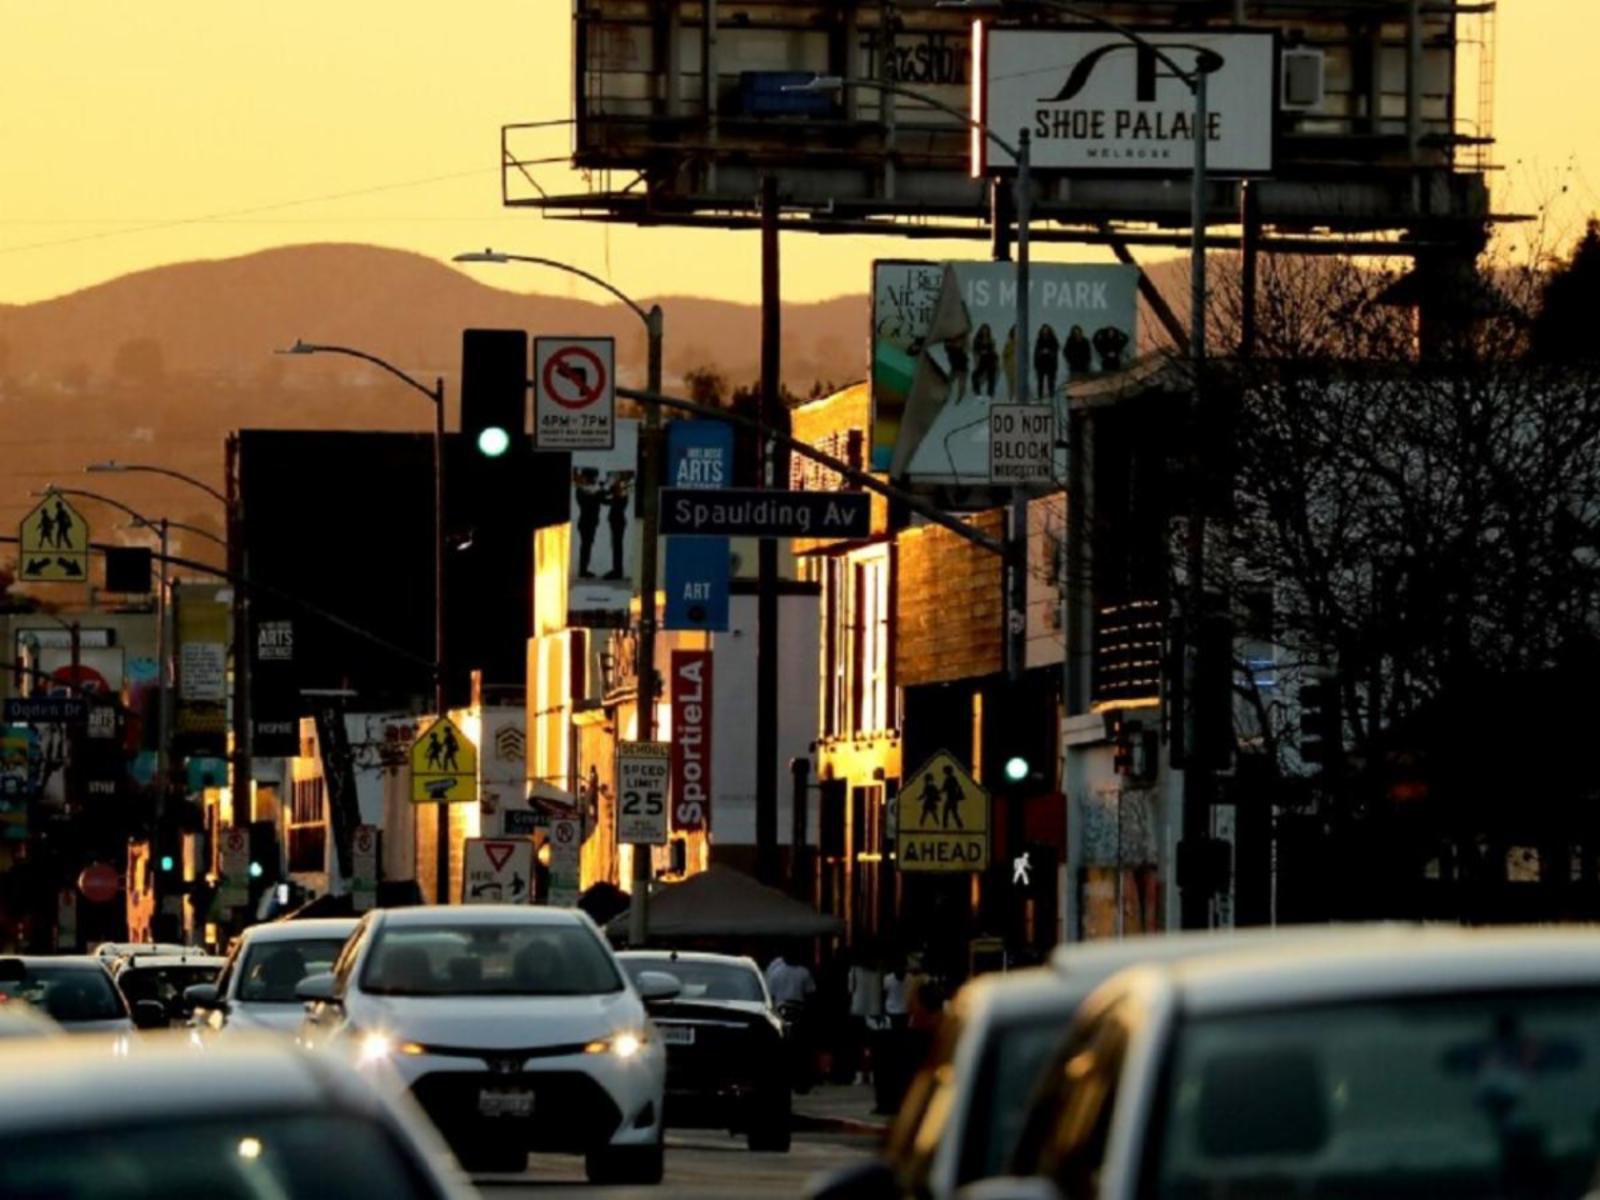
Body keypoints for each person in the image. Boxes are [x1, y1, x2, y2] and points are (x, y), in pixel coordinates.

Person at [847, 948, 884, 1086]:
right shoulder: (879, 969)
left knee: (857, 1044)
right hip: (875, 1009)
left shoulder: (854, 970)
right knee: (873, 1045)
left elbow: (850, 989)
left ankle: (859, 1074)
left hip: (857, 1009)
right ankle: (873, 1074)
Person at [573, 469, 603, 578]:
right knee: (585, 546)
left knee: (587, 546)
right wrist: (597, 493)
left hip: (589, 522)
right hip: (586, 522)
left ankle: (584, 569)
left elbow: (600, 500)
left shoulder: (587, 491)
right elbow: (588, 503)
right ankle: (583, 570)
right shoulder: (582, 491)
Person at [604, 476, 631, 580]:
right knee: (616, 547)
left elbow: (611, 499)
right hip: (616, 524)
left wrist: (616, 489)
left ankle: (617, 571)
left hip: (618, 524)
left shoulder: (620, 499)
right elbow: (606, 499)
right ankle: (616, 570)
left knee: (617, 547)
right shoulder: (618, 498)